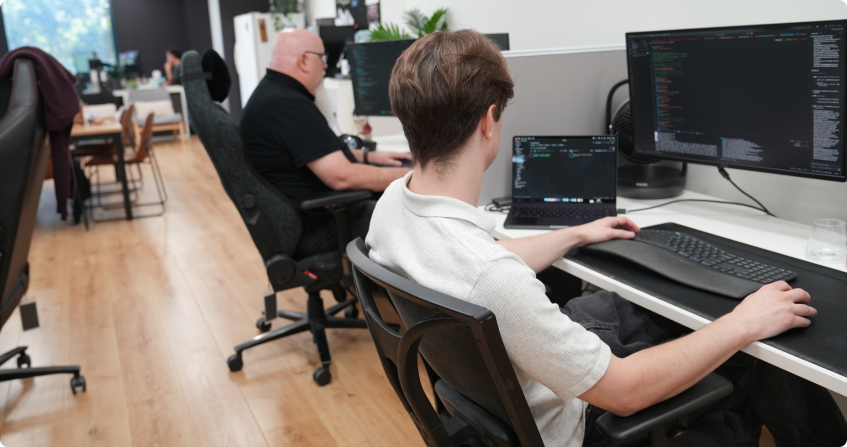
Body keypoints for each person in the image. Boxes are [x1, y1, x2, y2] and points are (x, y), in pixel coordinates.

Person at [365, 29, 847, 447]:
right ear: (489, 120)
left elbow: (486, 262)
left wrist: (576, 234)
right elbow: (624, 392)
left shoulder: (394, 206)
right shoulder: (491, 279)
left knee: (641, 306)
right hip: (577, 424)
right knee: (756, 343)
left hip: (508, 392)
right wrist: (743, 324)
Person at [241, 29, 411, 259]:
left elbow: (322, 151)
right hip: (319, 226)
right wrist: (413, 176)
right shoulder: (288, 105)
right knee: (410, 212)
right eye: (322, 58)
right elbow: (342, 177)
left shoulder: (274, 94)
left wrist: (372, 157)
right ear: (303, 61)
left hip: (306, 215)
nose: (324, 66)